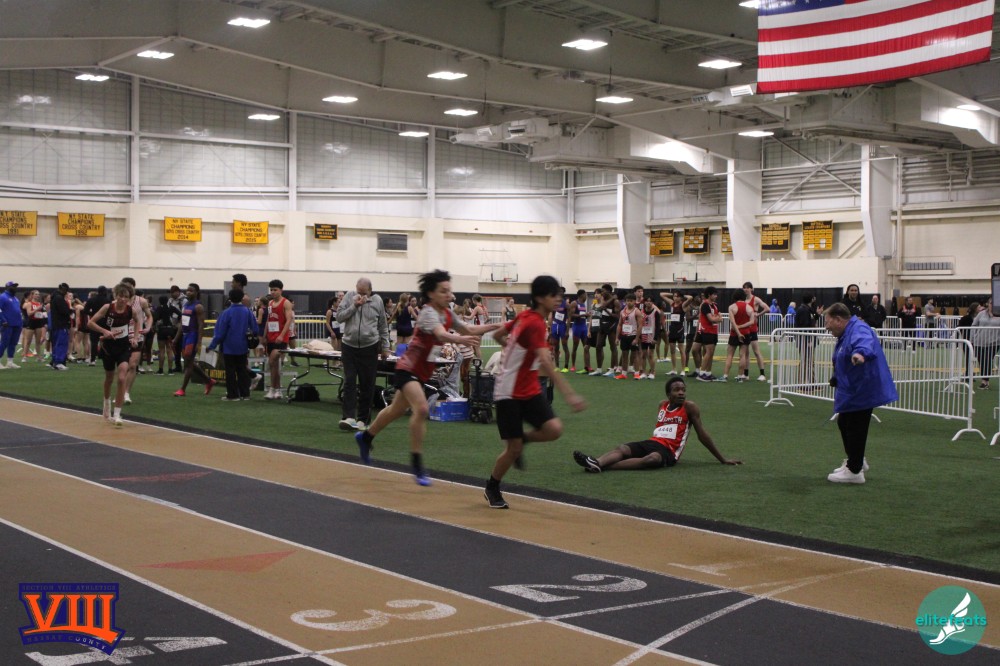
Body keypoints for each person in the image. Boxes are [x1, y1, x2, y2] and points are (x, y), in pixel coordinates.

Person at [356, 269, 501, 485]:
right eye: (443, 291)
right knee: (422, 409)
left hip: (421, 372)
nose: (448, 295)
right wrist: (461, 339)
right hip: (408, 368)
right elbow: (441, 334)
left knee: (396, 410)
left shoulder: (447, 314)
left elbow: (468, 328)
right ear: (431, 294)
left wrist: (498, 325)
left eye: (449, 290)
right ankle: (417, 464)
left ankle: (366, 437)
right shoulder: (428, 313)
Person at [484, 275, 587, 508]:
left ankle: (523, 439)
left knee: (554, 429)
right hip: (508, 392)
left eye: (560, 295)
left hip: (528, 388)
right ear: (540, 298)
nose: (559, 299)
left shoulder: (527, 317)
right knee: (512, 450)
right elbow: (546, 362)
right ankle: (492, 486)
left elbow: (498, 335)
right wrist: (569, 394)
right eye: (554, 295)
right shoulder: (534, 322)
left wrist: (512, 349)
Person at [573, 376, 740, 472]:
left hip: (669, 451)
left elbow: (702, 435)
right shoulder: (662, 405)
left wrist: (722, 459)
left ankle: (602, 466)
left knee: (652, 459)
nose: (681, 393)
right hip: (652, 441)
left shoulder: (689, 407)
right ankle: (597, 462)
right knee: (623, 448)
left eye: (683, 389)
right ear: (668, 394)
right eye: (676, 390)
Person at [824, 302, 898, 484]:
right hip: (856, 387)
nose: (826, 327)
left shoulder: (859, 329)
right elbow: (842, 356)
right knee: (845, 422)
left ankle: (855, 470)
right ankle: (856, 459)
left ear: (838, 319)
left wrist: (860, 354)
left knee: (855, 426)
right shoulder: (847, 332)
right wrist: (836, 377)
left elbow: (864, 343)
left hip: (864, 388)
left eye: (828, 322)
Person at [336, 277, 390, 430]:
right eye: (358, 292)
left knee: (367, 384)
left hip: (370, 346)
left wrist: (385, 347)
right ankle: (348, 417)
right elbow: (339, 317)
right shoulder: (349, 297)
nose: (361, 295)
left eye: (364, 293)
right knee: (349, 381)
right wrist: (354, 305)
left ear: (370, 291)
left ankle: (363, 420)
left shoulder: (377, 301)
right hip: (349, 345)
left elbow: (383, 325)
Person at [87, 282, 143, 427]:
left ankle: (117, 414)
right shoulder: (107, 308)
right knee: (109, 378)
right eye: (120, 296)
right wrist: (104, 331)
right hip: (108, 347)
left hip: (123, 347)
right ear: (115, 296)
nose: (123, 299)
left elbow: (138, 322)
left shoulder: (131, 310)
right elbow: (90, 323)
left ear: (129, 298)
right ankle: (106, 403)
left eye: (126, 297)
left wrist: (135, 337)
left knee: (122, 377)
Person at [207, 288, 259, 401]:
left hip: (229, 347)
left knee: (230, 372)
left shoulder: (226, 313)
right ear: (242, 298)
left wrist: (212, 346)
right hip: (243, 346)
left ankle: (233, 395)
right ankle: (245, 394)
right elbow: (255, 329)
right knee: (242, 370)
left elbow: (220, 333)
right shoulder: (247, 311)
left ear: (229, 298)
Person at [172, 283, 216, 397]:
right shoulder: (185, 305)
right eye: (187, 290)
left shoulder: (198, 306)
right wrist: (175, 339)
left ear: (196, 292)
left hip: (193, 335)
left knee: (188, 363)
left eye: (191, 291)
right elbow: (182, 323)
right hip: (185, 336)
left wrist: (199, 342)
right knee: (189, 362)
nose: (188, 292)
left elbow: (201, 325)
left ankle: (182, 389)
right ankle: (209, 381)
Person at [262, 279, 294, 400]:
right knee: (274, 365)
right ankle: (277, 389)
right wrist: (264, 335)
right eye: (271, 290)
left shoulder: (286, 303)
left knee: (272, 361)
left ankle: (272, 388)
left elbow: (289, 320)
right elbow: (268, 320)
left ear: (281, 290)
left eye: (275, 290)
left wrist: (282, 335)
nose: (273, 292)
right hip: (271, 337)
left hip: (281, 339)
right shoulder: (270, 303)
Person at [691, 286, 721, 382]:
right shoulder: (705, 305)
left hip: (712, 330)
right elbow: (712, 319)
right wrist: (716, 319)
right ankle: (701, 373)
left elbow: (719, 317)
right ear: (709, 295)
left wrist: (716, 319)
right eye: (714, 294)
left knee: (710, 352)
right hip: (706, 330)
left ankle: (707, 373)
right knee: (702, 351)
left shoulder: (714, 305)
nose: (716, 296)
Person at [721, 289, 752, 382]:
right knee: (742, 355)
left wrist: (738, 332)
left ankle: (725, 376)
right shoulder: (749, 308)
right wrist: (741, 328)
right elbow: (752, 322)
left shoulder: (732, 307)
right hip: (746, 333)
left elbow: (733, 322)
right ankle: (740, 377)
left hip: (734, 333)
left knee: (730, 355)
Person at [742, 282, 769, 381]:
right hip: (745, 328)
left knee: (756, 351)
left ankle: (762, 374)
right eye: (744, 288)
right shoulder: (744, 300)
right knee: (746, 353)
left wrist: (758, 314)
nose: (746, 289)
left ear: (751, 289)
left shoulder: (755, 299)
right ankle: (746, 374)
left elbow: (767, 308)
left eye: (747, 288)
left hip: (752, 328)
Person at [794, 294, 823, 384]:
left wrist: (817, 315)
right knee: (806, 361)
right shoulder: (803, 310)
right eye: (814, 297)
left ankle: (810, 381)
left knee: (808, 361)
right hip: (805, 340)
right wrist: (809, 340)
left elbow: (811, 320)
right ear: (812, 299)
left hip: (808, 339)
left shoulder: (808, 309)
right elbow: (805, 326)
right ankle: (803, 382)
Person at [972, 298, 1000, 390]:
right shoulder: (981, 314)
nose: (992, 305)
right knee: (981, 361)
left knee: (987, 361)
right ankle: (985, 380)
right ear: (988, 304)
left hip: (994, 343)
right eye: (991, 303)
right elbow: (974, 325)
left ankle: (985, 381)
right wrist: (973, 337)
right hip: (979, 342)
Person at [153, 295, 181, 374]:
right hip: (170, 330)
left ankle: (160, 370)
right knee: (169, 350)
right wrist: (177, 323)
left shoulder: (159, 308)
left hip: (162, 330)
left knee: (161, 350)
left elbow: (155, 318)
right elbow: (180, 313)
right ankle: (170, 370)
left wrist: (158, 321)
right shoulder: (171, 307)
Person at [82, 286, 109, 366]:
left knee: (94, 341)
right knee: (106, 341)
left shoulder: (91, 300)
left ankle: (93, 360)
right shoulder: (108, 300)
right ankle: (106, 357)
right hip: (105, 322)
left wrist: (93, 314)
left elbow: (85, 311)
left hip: (94, 322)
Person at [49, 282, 72, 370]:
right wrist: (71, 311)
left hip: (55, 324)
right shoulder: (59, 298)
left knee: (56, 344)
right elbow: (64, 311)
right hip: (61, 324)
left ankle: (55, 361)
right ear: (64, 290)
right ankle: (59, 362)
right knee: (61, 343)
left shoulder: (54, 297)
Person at [0, 281, 23, 369]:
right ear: (7, 287)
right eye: (13, 286)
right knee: (4, 343)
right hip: (7, 324)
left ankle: (10, 362)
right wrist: (3, 320)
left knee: (13, 343)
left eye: (15, 286)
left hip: (17, 324)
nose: (15, 288)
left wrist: (20, 323)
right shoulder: (3, 297)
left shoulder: (15, 298)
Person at [548, 286, 570, 372]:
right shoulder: (554, 303)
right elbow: (552, 316)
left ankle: (566, 367)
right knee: (556, 347)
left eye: (560, 292)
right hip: (555, 326)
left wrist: (567, 331)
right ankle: (557, 366)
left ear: (563, 293)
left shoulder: (566, 304)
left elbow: (569, 318)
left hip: (562, 326)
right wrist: (550, 329)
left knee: (565, 346)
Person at [568, 289, 590, 373]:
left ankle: (587, 366)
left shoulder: (583, 304)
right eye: (585, 295)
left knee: (586, 347)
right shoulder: (574, 303)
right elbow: (571, 315)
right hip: (577, 327)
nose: (586, 296)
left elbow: (581, 315)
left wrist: (586, 315)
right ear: (582, 295)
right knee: (575, 347)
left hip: (584, 327)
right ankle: (573, 366)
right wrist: (583, 314)